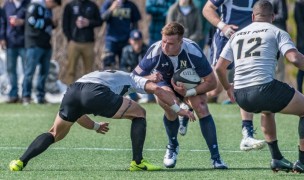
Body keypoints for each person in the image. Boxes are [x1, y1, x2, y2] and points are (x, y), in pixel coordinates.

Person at [9, 70, 195, 171]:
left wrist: (96, 126)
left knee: (55, 133)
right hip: (97, 92)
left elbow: (79, 113)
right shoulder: (132, 79)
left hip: (74, 90)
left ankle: (20, 162)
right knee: (140, 113)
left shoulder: (112, 75)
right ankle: (137, 162)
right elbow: (157, 89)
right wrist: (180, 110)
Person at [215, 0, 304, 173]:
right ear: (272, 16)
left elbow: (219, 67)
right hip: (264, 89)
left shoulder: (237, 35)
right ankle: (302, 161)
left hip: (241, 97)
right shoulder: (277, 31)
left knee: (266, 110)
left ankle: (276, 158)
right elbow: (295, 59)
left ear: (253, 16)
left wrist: (228, 87)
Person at [132, 22, 228, 169]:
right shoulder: (155, 50)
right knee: (169, 103)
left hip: (188, 85)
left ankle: (216, 158)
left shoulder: (193, 52)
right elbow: (133, 78)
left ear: (180, 42)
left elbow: (212, 83)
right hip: (164, 83)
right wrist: (149, 79)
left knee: (201, 107)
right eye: (164, 41)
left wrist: (188, 93)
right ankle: (172, 145)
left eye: (170, 43)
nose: (165, 46)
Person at [203, 0, 265, 151]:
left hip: (248, 42)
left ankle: (247, 135)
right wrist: (223, 27)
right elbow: (207, 9)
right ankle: (188, 101)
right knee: (214, 89)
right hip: (226, 39)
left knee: (245, 84)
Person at [21, 0, 61, 104]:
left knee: (44, 73)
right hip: (34, 44)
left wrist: (53, 24)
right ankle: (26, 96)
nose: (53, 7)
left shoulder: (48, 10)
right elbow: (32, 22)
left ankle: (40, 97)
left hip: (46, 44)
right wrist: (48, 21)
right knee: (30, 72)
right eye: (54, 4)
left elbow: (47, 25)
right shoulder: (34, 6)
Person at [62, 0, 103, 85]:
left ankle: (87, 92)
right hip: (74, 42)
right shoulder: (70, 5)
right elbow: (65, 24)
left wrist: (88, 23)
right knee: (71, 69)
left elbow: (99, 21)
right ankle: (68, 91)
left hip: (89, 43)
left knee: (89, 71)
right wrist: (70, 38)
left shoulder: (92, 5)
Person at [0, 0, 30, 103]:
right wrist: (2, 38)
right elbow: (3, 22)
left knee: (27, 70)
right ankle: (13, 95)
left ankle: (26, 95)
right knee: (11, 70)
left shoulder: (28, 3)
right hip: (10, 42)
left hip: (25, 42)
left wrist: (23, 22)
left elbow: (33, 20)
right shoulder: (7, 5)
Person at [100, 0, 141, 70]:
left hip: (126, 40)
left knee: (126, 68)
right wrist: (111, 8)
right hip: (111, 41)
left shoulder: (131, 5)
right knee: (108, 67)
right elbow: (102, 18)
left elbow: (135, 24)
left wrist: (132, 39)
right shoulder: (108, 3)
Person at [120, 29, 149, 102]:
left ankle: (146, 96)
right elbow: (123, 67)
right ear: (130, 41)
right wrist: (131, 75)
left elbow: (149, 67)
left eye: (139, 40)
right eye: (134, 40)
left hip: (145, 78)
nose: (137, 42)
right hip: (131, 78)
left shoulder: (148, 50)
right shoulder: (125, 50)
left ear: (142, 40)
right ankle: (134, 97)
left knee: (148, 99)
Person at [268, 0, 288, 82]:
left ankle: (280, 92)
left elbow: (283, 15)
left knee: (278, 67)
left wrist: (267, 17)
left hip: (278, 37)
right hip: (267, 37)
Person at [295, 0, 304, 93]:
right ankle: (300, 93)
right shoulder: (299, 4)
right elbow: (300, 24)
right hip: (302, 42)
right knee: (301, 70)